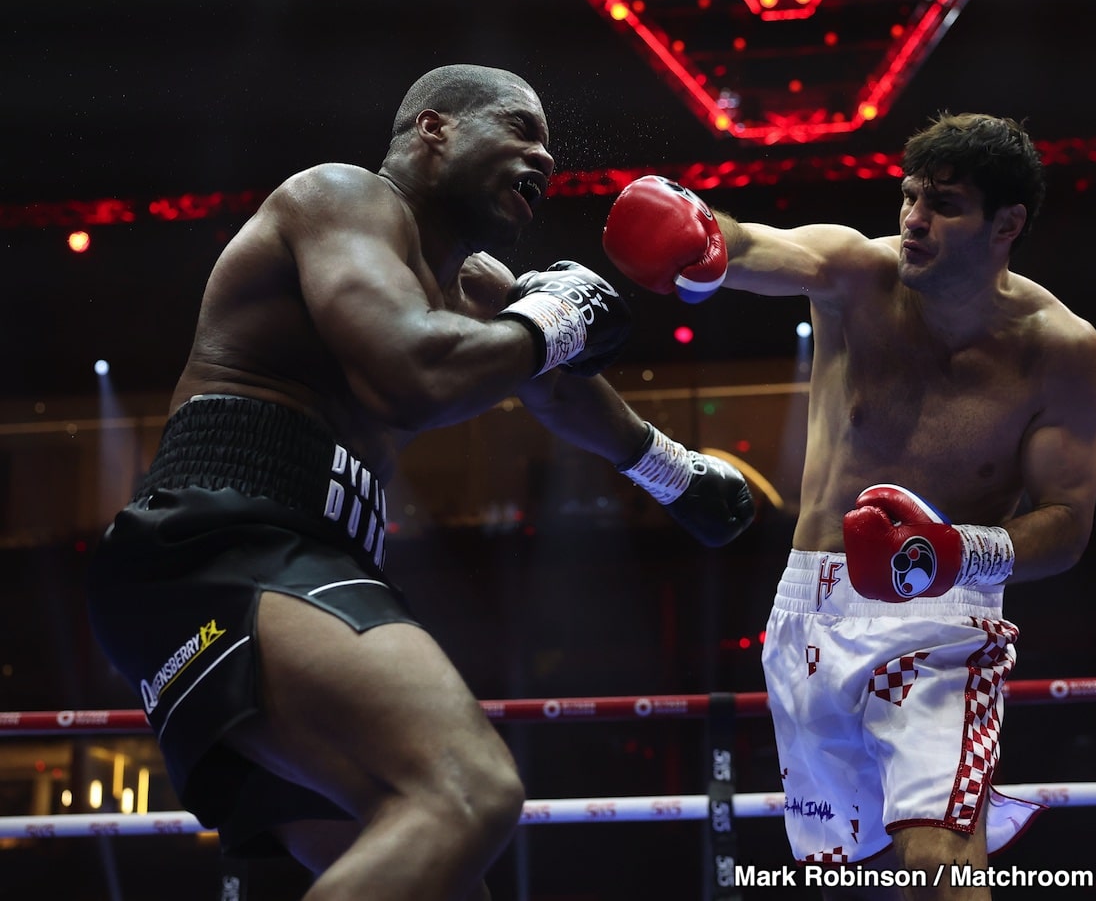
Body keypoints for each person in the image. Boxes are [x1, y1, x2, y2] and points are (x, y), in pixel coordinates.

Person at [86, 63, 754, 901]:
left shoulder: (471, 286)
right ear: (434, 130)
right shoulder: (340, 198)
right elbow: (413, 371)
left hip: (272, 560)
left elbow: (549, 379)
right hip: (224, 541)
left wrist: (672, 472)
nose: (546, 156)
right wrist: (554, 319)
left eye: (549, 141)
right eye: (519, 128)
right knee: (466, 792)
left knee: (439, 877)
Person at [601, 113, 1096, 899]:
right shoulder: (854, 274)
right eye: (910, 197)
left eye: (943, 204)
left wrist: (949, 552)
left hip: (945, 620)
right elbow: (751, 246)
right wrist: (698, 235)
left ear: (1007, 224)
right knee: (856, 884)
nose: (914, 220)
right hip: (811, 610)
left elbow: (1068, 524)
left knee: (940, 860)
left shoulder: (1059, 349)